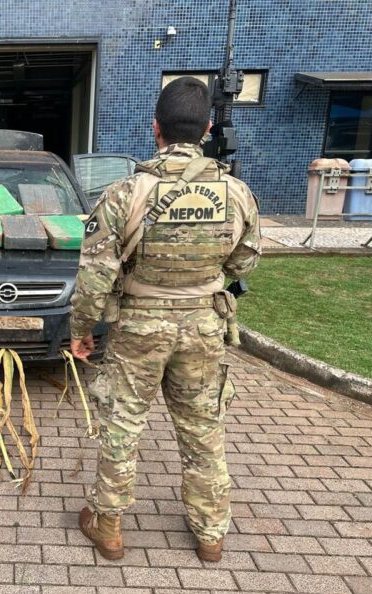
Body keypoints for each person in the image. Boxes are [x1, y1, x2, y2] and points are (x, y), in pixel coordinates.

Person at [69, 76, 261, 563]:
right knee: (203, 429)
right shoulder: (237, 193)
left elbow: (94, 277)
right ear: (207, 128)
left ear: (155, 128)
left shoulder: (124, 194)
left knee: (123, 425)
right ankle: (210, 534)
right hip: (202, 328)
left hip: (138, 329)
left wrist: (81, 333)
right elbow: (243, 264)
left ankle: (109, 528)